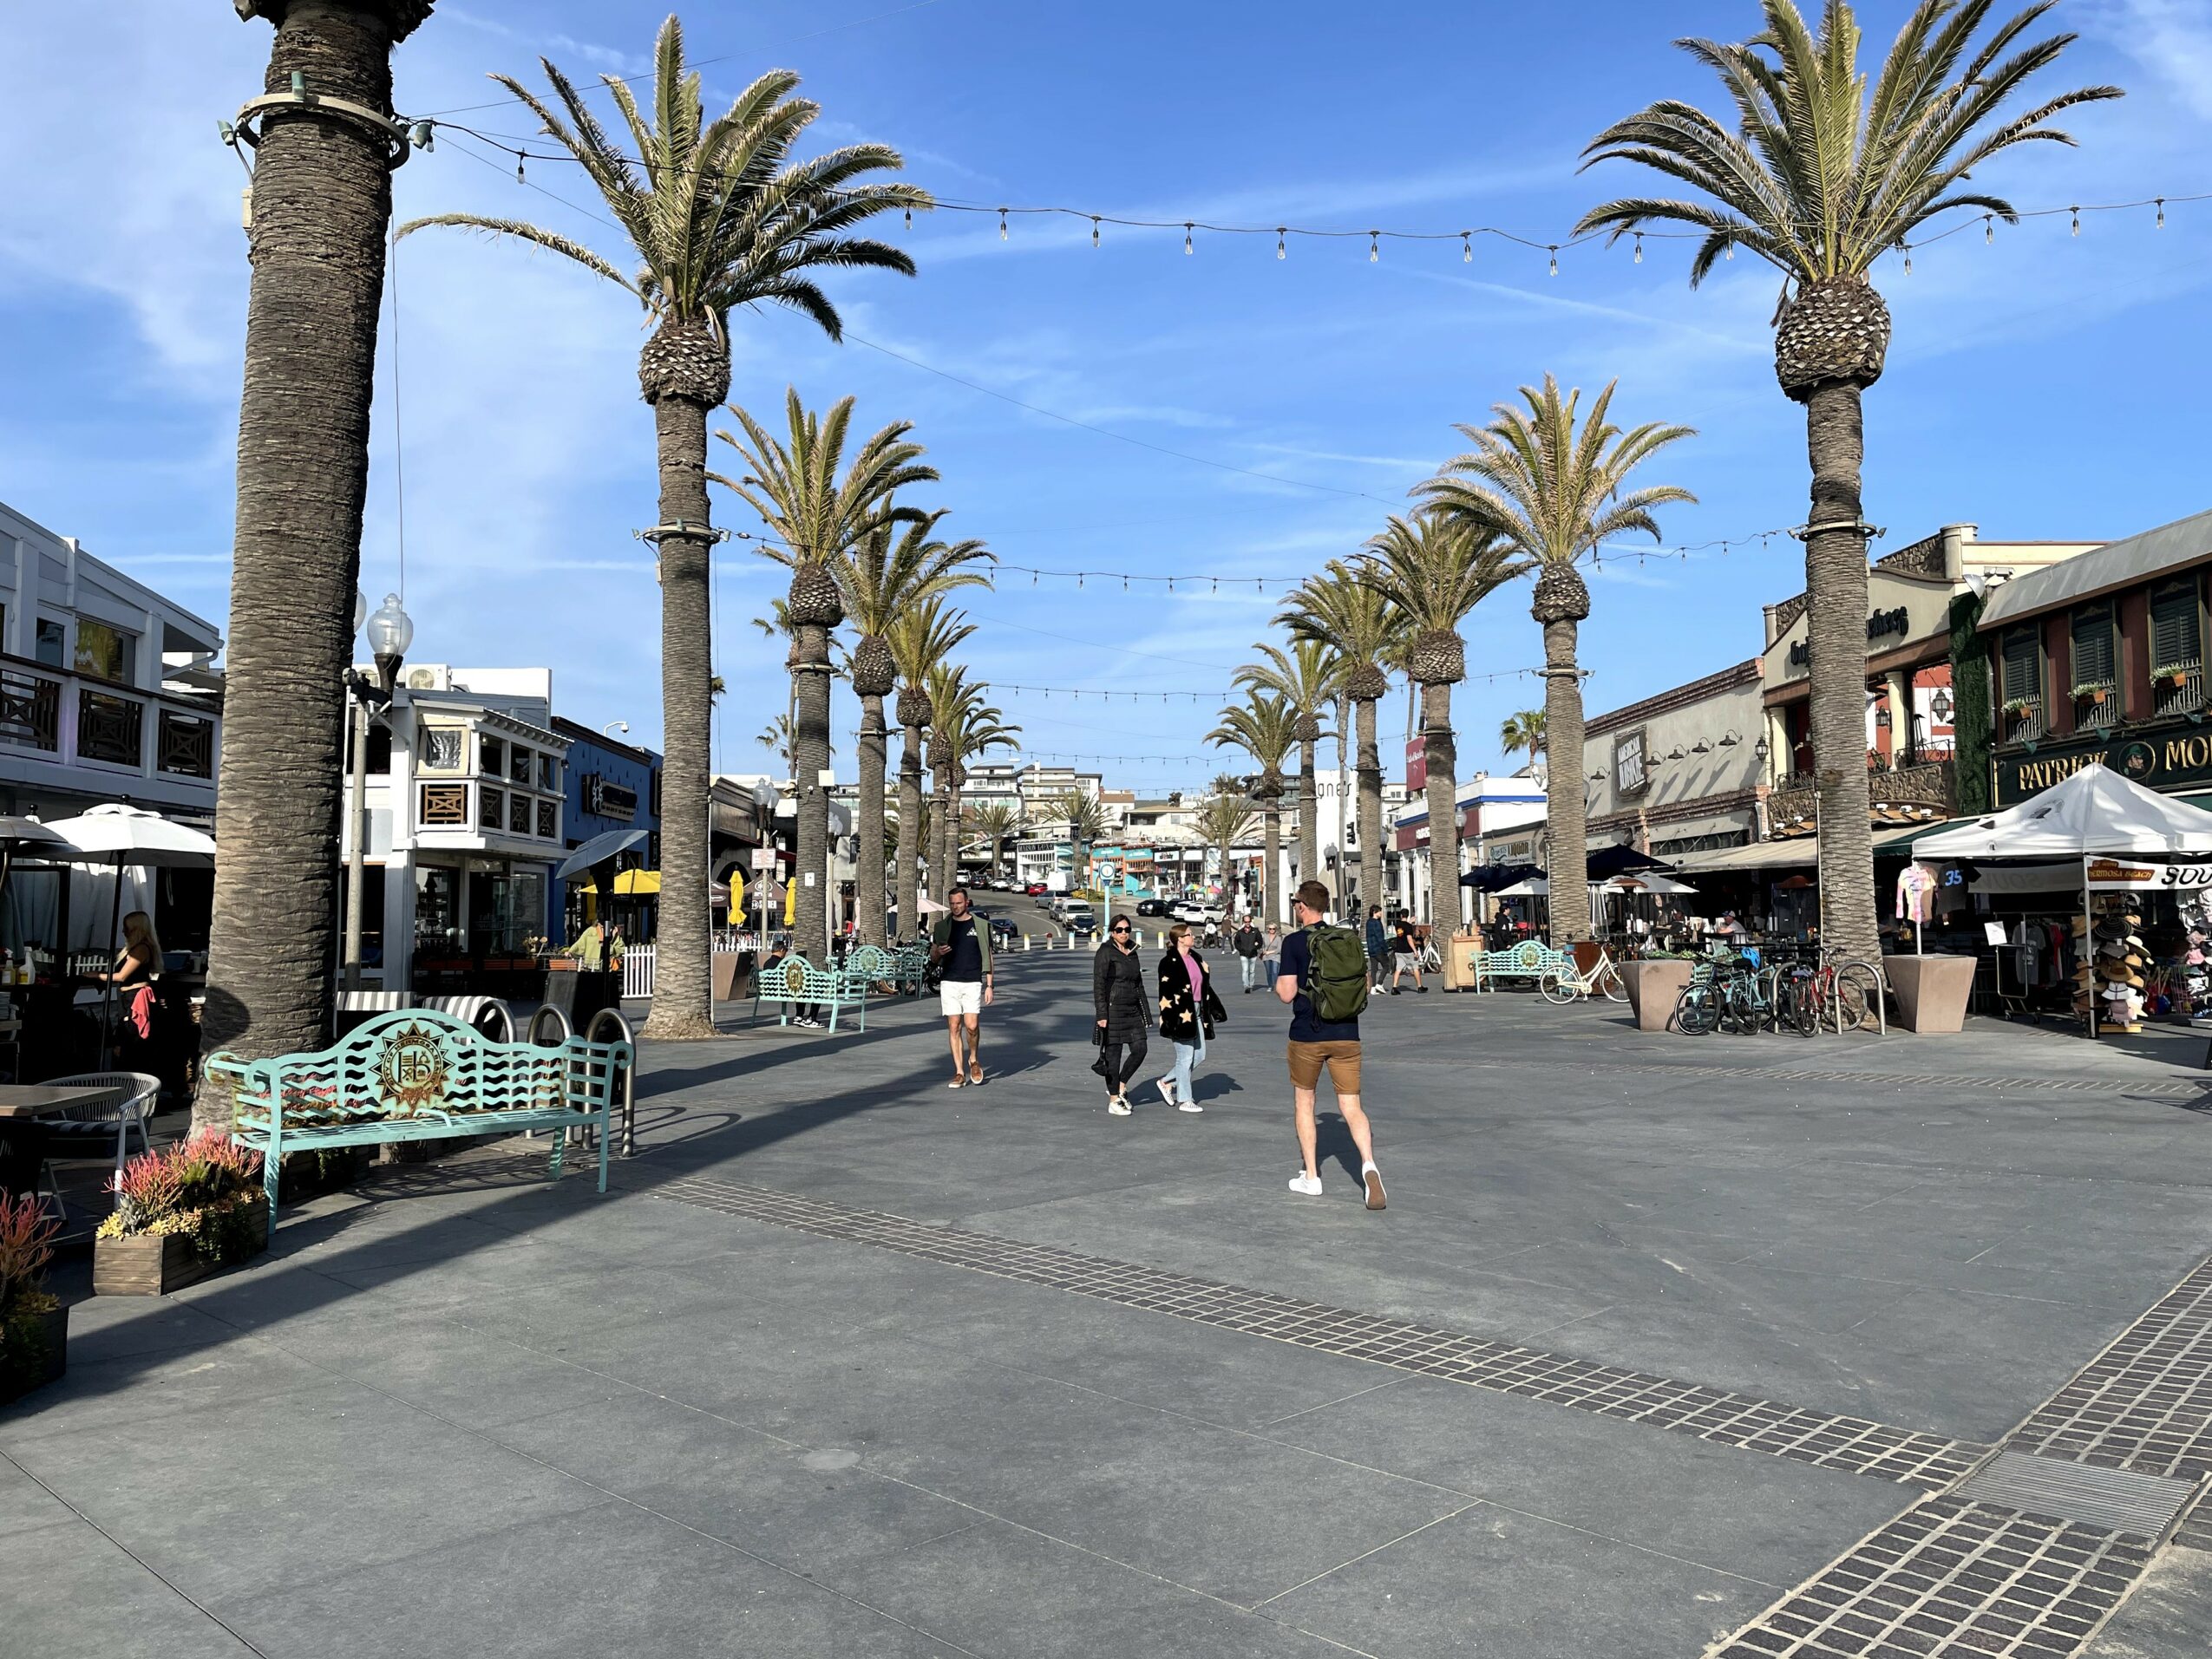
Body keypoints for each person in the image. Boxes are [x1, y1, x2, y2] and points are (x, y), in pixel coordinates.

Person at [1277, 880, 1384, 1208]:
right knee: (1352, 1106)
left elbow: (1286, 994)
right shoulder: (1347, 939)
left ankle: (1312, 1177)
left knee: (1304, 1103)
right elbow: (1363, 983)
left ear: (1301, 907)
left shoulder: (1294, 942)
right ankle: (1368, 1163)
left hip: (1308, 1035)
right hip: (1348, 1034)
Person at [1155, 921, 1224, 1112]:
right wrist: (1170, 1018)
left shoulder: (1195, 958)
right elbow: (1165, 992)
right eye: (1190, 935)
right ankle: (1185, 1100)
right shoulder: (1169, 962)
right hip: (1180, 1012)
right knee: (1185, 1058)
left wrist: (1215, 1009)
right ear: (1180, 939)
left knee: (1199, 1055)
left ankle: (1166, 1081)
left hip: (1198, 1011)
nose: (1193, 937)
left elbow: (1205, 986)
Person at [930, 886, 993, 1086]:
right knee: (954, 1026)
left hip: (973, 981)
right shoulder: (942, 927)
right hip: (949, 981)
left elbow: (988, 956)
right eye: (952, 904)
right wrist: (939, 951)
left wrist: (989, 984)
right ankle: (959, 1072)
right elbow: (933, 957)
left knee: (972, 1026)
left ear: (967, 902)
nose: (955, 907)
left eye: (959, 903)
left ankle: (973, 1058)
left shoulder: (981, 926)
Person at [1093, 915, 1150, 1114]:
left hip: (1132, 1010)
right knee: (1113, 1056)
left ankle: (1121, 1085)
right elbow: (1099, 984)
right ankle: (1113, 1100)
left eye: (1127, 929)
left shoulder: (1133, 952)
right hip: (1112, 1010)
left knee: (1140, 1048)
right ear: (1112, 932)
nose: (1124, 933)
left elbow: (1139, 983)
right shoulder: (1105, 952)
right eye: (1119, 930)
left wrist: (1146, 1013)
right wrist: (1102, 1014)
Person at [1391, 911, 1427, 994]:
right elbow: (1409, 939)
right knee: (1415, 968)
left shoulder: (1397, 925)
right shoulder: (1409, 926)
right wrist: (1415, 950)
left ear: (1401, 915)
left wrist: (1409, 922)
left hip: (1399, 950)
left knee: (1398, 969)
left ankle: (1394, 987)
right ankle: (1419, 986)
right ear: (1407, 916)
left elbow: (1403, 929)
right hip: (1408, 951)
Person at [1232, 916, 1264, 993]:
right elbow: (1236, 942)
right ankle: (1246, 986)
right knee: (1245, 970)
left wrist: (1256, 948)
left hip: (1253, 954)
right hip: (1243, 954)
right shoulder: (1240, 932)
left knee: (1252, 971)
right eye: (1246, 922)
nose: (1248, 923)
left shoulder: (1255, 931)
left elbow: (1260, 941)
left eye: (1249, 921)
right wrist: (1241, 950)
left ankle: (1251, 984)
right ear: (1243, 922)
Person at [1365, 905, 1389, 990]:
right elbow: (1380, 938)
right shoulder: (1377, 923)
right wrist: (1385, 949)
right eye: (1379, 911)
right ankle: (1379, 983)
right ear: (1374, 912)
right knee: (1387, 965)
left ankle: (1373, 987)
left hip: (1371, 949)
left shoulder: (1368, 922)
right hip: (1378, 949)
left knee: (1374, 969)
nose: (1381, 913)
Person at [1261, 921, 1280, 987]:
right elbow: (1261, 946)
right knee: (1269, 972)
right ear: (1268, 929)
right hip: (1266, 957)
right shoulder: (1265, 937)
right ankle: (1270, 985)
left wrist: (1270, 952)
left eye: (1273, 929)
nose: (1272, 930)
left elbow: (1279, 949)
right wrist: (1263, 950)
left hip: (1276, 956)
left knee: (1275, 972)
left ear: (1276, 929)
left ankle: (1275, 985)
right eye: (1270, 929)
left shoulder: (1278, 938)